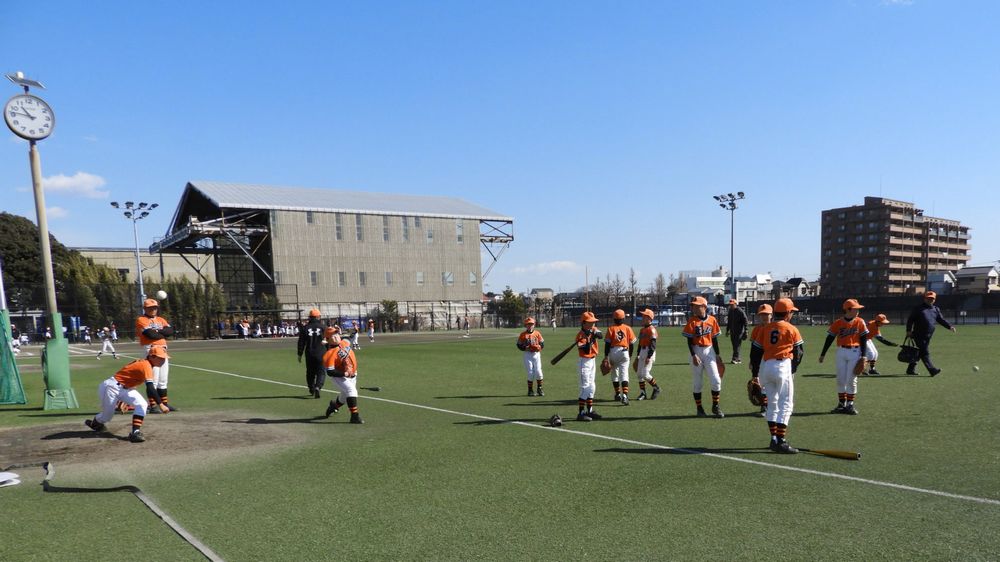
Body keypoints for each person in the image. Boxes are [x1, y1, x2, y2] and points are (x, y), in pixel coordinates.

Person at [749, 298, 804, 454]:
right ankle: (781, 441)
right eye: (791, 312)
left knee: (772, 404)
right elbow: (799, 352)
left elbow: (755, 352)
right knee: (786, 403)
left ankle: (773, 439)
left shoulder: (765, 328)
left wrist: (755, 375)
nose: (792, 315)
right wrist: (792, 370)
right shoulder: (791, 328)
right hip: (782, 365)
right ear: (787, 313)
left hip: (767, 367)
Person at [84, 346, 171, 443]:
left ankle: (135, 432)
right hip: (111, 388)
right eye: (161, 358)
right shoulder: (146, 365)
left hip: (125, 388)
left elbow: (131, 379)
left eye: (164, 358)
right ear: (152, 356)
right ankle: (95, 423)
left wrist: (124, 400)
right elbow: (150, 388)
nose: (163, 360)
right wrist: (161, 404)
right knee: (107, 416)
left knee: (142, 404)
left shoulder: (147, 365)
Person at [818, 299, 869, 415]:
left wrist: (864, 356)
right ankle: (842, 404)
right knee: (840, 379)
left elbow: (863, 339)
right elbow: (829, 338)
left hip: (855, 351)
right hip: (841, 351)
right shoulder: (838, 323)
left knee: (851, 379)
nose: (858, 311)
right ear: (848, 309)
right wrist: (823, 354)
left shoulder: (860, 322)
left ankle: (850, 404)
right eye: (856, 309)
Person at [682, 296, 726, 418]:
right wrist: (693, 355)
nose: (694, 308)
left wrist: (718, 355)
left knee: (716, 380)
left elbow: (714, 339)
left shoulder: (712, 320)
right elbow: (689, 341)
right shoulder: (692, 321)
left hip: (709, 350)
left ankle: (715, 406)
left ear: (704, 307)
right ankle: (699, 408)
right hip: (696, 350)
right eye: (693, 306)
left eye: (697, 306)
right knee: (698, 383)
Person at [136, 298, 175, 413]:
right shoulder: (141, 319)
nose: (153, 310)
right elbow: (150, 335)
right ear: (145, 308)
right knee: (153, 380)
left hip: (163, 351)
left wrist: (157, 332)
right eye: (150, 308)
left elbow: (170, 331)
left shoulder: (161, 319)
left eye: (155, 308)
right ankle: (153, 406)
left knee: (163, 379)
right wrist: (162, 333)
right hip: (151, 350)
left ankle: (165, 404)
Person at [905, 291, 955, 376]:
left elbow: (941, 320)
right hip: (918, 334)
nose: (930, 300)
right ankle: (932, 370)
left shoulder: (936, 309)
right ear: (925, 298)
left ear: (934, 300)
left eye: (932, 298)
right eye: (928, 298)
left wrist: (949, 326)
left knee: (919, 352)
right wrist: (908, 330)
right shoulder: (918, 308)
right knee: (925, 352)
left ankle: (910, 369)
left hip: (928, 335)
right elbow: (910, 320)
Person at [323, 331, 364, 424]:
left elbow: (349, 338)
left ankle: (334, 406)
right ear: (328, 340)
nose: (336, 337)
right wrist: (344, 374)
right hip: (339, 377)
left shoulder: (344, 342)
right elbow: (330, 372)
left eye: (336, 334)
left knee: (344, 397)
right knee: (351, 391)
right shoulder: (329, 354)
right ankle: (354, 416)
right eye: (333, 336)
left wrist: (354, 332)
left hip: (353, 374)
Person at [574, 312, 604, 422]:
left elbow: (600, 335)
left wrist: (593, 333)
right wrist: (589, 339)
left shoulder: (593, 329)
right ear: (584, 323)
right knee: (585, 387)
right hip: (584, 362)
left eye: (593, 322)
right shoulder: (580, 336)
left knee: (592, 387)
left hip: (592, 361)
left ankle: (589, 411)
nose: (593, 324)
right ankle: (581, 413)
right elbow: (586, 350)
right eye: (590, 322)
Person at [604, 309, 637, 404]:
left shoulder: (611, 328)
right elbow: (631, 344)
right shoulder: (628, 328)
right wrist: (630, 355)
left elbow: (607, 344)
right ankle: (625, 396)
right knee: (624, 374)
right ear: (623, 318)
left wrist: (606, 356)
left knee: (614, 373)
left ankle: (618, 394)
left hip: (613, 352)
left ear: (614, 319)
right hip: (624, 352)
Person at [747, 304, 773, 417]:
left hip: (774, 358)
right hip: (761, 359)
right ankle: (764, 406)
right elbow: (753, 347)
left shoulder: (776, 327)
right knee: (762, 383)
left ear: (771, 315)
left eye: (766, 314)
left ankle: (778, 406)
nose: (764, 317)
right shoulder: (757, 329)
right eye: (762, 314)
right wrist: (752, 361)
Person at [632, 308, 662, 400]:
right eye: (643, 316)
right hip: (642, 351)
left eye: (645, 316)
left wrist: (649, 356)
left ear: (649, 318)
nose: (643, 318)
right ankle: (643, 393)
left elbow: (653, 344)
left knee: (645, 374)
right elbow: (640, 344)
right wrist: (637, 355)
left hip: (649, 352)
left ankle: (656, 388)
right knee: (639, 374)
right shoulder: (642, 330)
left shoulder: (652, 330)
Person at [297, 309, 327, 398]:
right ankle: (318, 386)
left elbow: (301, 342)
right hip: (321, 352)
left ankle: (311, 388)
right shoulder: (323, 327)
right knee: (321, 372)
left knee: (310, 373)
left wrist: (299, 354)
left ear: (310, 317)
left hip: (309, 353)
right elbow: (329, 341)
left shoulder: (305, 328)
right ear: (317, 317)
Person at [516, 317, 545, 396]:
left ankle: (539, 388)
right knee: (531, 373)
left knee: (539, 372)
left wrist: (539, 347)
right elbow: (518, 345)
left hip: (536, 354)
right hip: (527, 355)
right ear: (526, 325)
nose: (530, 326)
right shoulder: (523, 334)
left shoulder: (537, 333)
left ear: (534, 325)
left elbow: (542, 344)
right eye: (528, 324)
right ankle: (530, 390)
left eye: (531, 324)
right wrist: (526, 348)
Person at [725, 299, 749, 364]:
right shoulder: (730, 311)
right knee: (734, 345)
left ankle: (734, 359)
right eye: (730, 304)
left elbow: (745, 321)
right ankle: (738, 359)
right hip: (732, 331)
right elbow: (729, 322)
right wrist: (727, 330)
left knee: (737, 345)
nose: (731, 306)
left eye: (732, 304)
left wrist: (746, 330)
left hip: (739, 331)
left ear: (736, 304)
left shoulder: (740, 311)